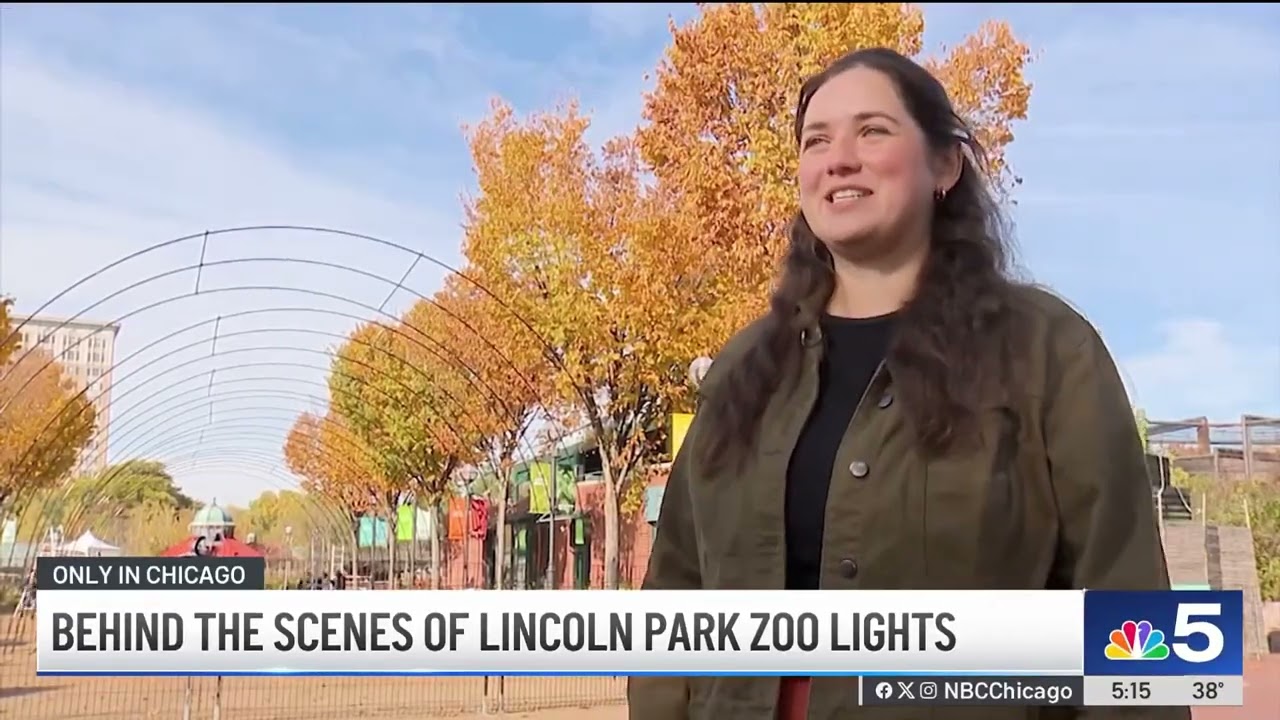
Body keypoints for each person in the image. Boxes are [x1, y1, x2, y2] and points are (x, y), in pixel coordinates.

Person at [628, 47, 1188, 720]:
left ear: (945, 164)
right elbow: (676, 593)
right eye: (817, 140)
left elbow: (1127, 607)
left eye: (872, 131)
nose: (839, 158)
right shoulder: (744, 370)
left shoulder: (1047, 352)